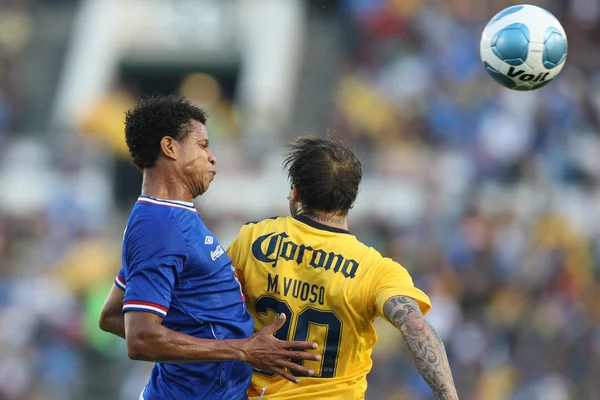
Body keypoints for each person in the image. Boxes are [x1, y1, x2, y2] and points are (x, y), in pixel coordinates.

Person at [98, 95, 320, 400]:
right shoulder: (159, 226)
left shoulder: (170, 217)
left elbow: (111, 315)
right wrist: (241, 349)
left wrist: (199, 343)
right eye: (202, 146)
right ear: (170, 147)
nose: (212, 157)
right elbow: (141, 339)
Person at [227, 135, 459, 399]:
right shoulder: (375, 269)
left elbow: (209, 310)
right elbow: (414, 326)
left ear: (296, 191)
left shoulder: (253, 239)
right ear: (352, 197)